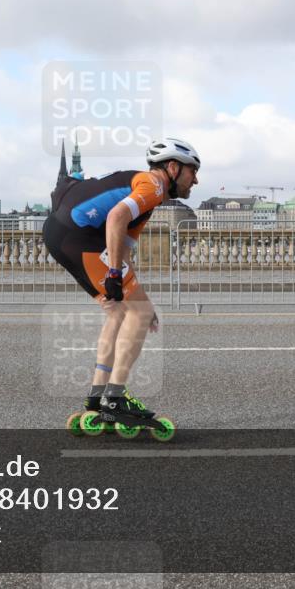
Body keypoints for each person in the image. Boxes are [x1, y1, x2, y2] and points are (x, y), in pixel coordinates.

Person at [43, 138, 200, 440]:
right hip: (81, 239)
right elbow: (116, 218)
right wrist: (116, 276)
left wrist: (133, 293)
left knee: (119, 312)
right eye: (192, 171)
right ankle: (115, 399)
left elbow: (123, 247)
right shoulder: (153, 185)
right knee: (137, 314)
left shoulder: (144, 192)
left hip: (63, 236)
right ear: (172, 167)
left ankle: (97, 396)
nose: (196, 179)